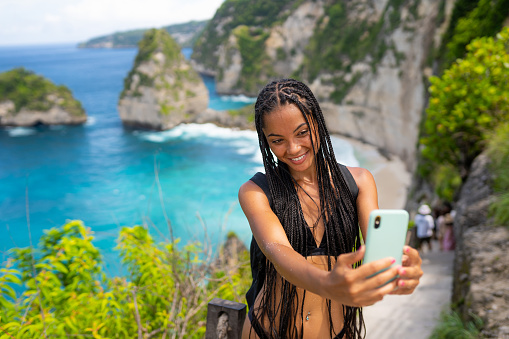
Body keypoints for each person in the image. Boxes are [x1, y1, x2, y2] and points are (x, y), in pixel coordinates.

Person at [238, 79, 423, 339]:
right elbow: (277, 251)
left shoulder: (358, 183)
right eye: (277, 140)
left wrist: (398, 273)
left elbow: (379, 252)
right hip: (268, 332)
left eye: (302, 133)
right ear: (265, 141)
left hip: (339, 332)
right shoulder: (256, 191)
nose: (293, 149)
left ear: (318, 123)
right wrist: (326, 284)